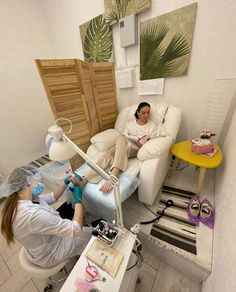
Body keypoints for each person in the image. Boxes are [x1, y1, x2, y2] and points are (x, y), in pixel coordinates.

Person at [0, 166, 91, 268]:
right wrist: (78, 197)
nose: (40, 183)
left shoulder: (21, 200)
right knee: (92, 235)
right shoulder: (31, 214)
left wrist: (66, 182)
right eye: (38, 179)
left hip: (41, 244)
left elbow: (52, 197)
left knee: (68, 211)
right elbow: (75, 230)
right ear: (28, 181)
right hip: (51, 253)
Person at [80, 102, 159, 193]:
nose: (146, 115)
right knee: (107, 154)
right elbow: (125, 135)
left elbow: (154, 140)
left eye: (148, 112)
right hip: (126, 145)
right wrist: (133, 139)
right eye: (143, 113)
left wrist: (141, 143)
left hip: (137, 149)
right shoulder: (130, 124)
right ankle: (85, 180)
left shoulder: (152, 126)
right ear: (138, 112)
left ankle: (113, 176)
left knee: (121, 139)